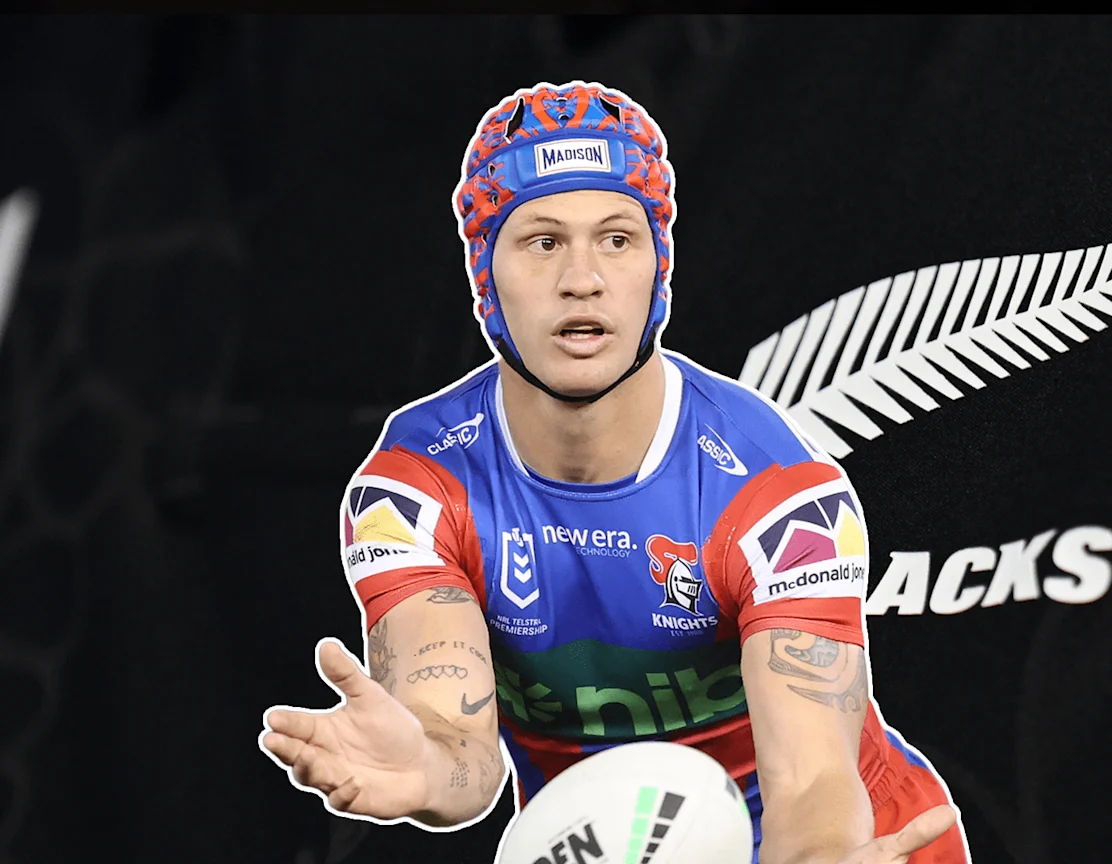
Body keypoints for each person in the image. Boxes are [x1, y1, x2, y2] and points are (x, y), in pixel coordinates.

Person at [258, 80, 971, 864]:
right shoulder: (417, 487)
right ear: (484, 275)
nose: (583, 278)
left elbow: (811, 784)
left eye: (617, 239)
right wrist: (425, 768)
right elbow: (460, 748)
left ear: (659, 268)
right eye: (542, 242)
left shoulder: (776, 497)